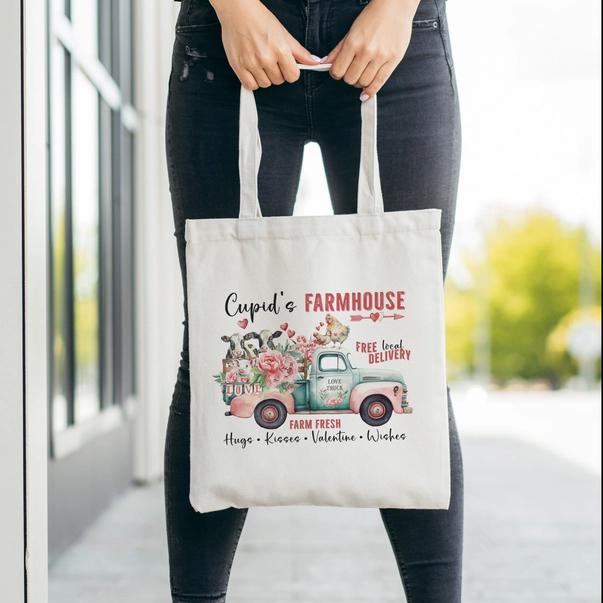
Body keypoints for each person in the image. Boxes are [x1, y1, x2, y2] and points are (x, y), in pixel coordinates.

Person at [164, 0, 463, 601]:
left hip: (393, 39)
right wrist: (235, 9)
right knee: (217, 358)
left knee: (409, 349)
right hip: (230, 34)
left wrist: (397, 8)